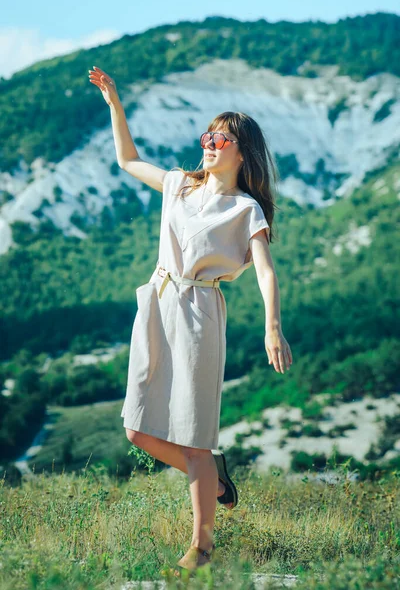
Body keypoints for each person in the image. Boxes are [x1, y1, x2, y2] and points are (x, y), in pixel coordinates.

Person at [88, 65, 292, 574]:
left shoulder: (247, 210)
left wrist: (273, 326)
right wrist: (115, 102)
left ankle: (200, 550)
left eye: (219, 138)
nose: (208, 143)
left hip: (201, 313)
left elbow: (265, 273)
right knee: (137, 428)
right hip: (158, 302)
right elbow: (127, 159)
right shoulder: (179, 186)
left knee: (195, 438)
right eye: (206, 134)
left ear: (241, 151)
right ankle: (215, 480)